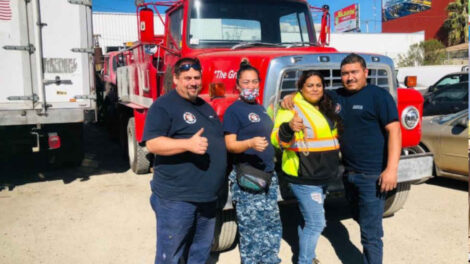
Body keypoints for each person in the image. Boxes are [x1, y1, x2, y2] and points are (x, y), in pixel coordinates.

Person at [281, 53, 401, 264]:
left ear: (366, 72)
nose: (349, 77)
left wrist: (391, 169)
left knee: (371, 234)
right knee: (358, 218)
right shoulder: (337, 97)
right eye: (345, 73)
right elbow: (311, 91)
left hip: (373, 175)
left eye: (354, 72)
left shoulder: (379, 96)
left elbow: (395, 131)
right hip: (348, 174)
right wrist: (291, 96)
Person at [143, 57, 227, 264]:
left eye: (197, 77)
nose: (193, 82)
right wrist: (187, 145)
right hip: (178, 199)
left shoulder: (204, 106)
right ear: (176, 80)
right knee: (171, 255)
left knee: (199, 252)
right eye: (187, 78)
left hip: (206, 198)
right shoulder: (164, 106)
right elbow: (152, 144)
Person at [272, 70, 341, 264]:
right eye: (309, 85)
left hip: (322, 174)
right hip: (303, 176)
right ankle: (305, 261)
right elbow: (277, 140)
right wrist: (288, 127)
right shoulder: (291, 107)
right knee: (317, 222)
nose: (315, 89)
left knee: (308, 220)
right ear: (301, 88)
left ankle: (307, 257)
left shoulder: (325, 106)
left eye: (318, 85)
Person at [223, 61, 282, 264]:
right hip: (249, 177)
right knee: (252, 231)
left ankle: (271, 261)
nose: (250, 86)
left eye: (254, 82)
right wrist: (249, 142)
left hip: (269, 177)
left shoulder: (262, 109)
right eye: (246, 82)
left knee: (272, 225)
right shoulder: (234, 111)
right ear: (238, 85)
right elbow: (230, 145)